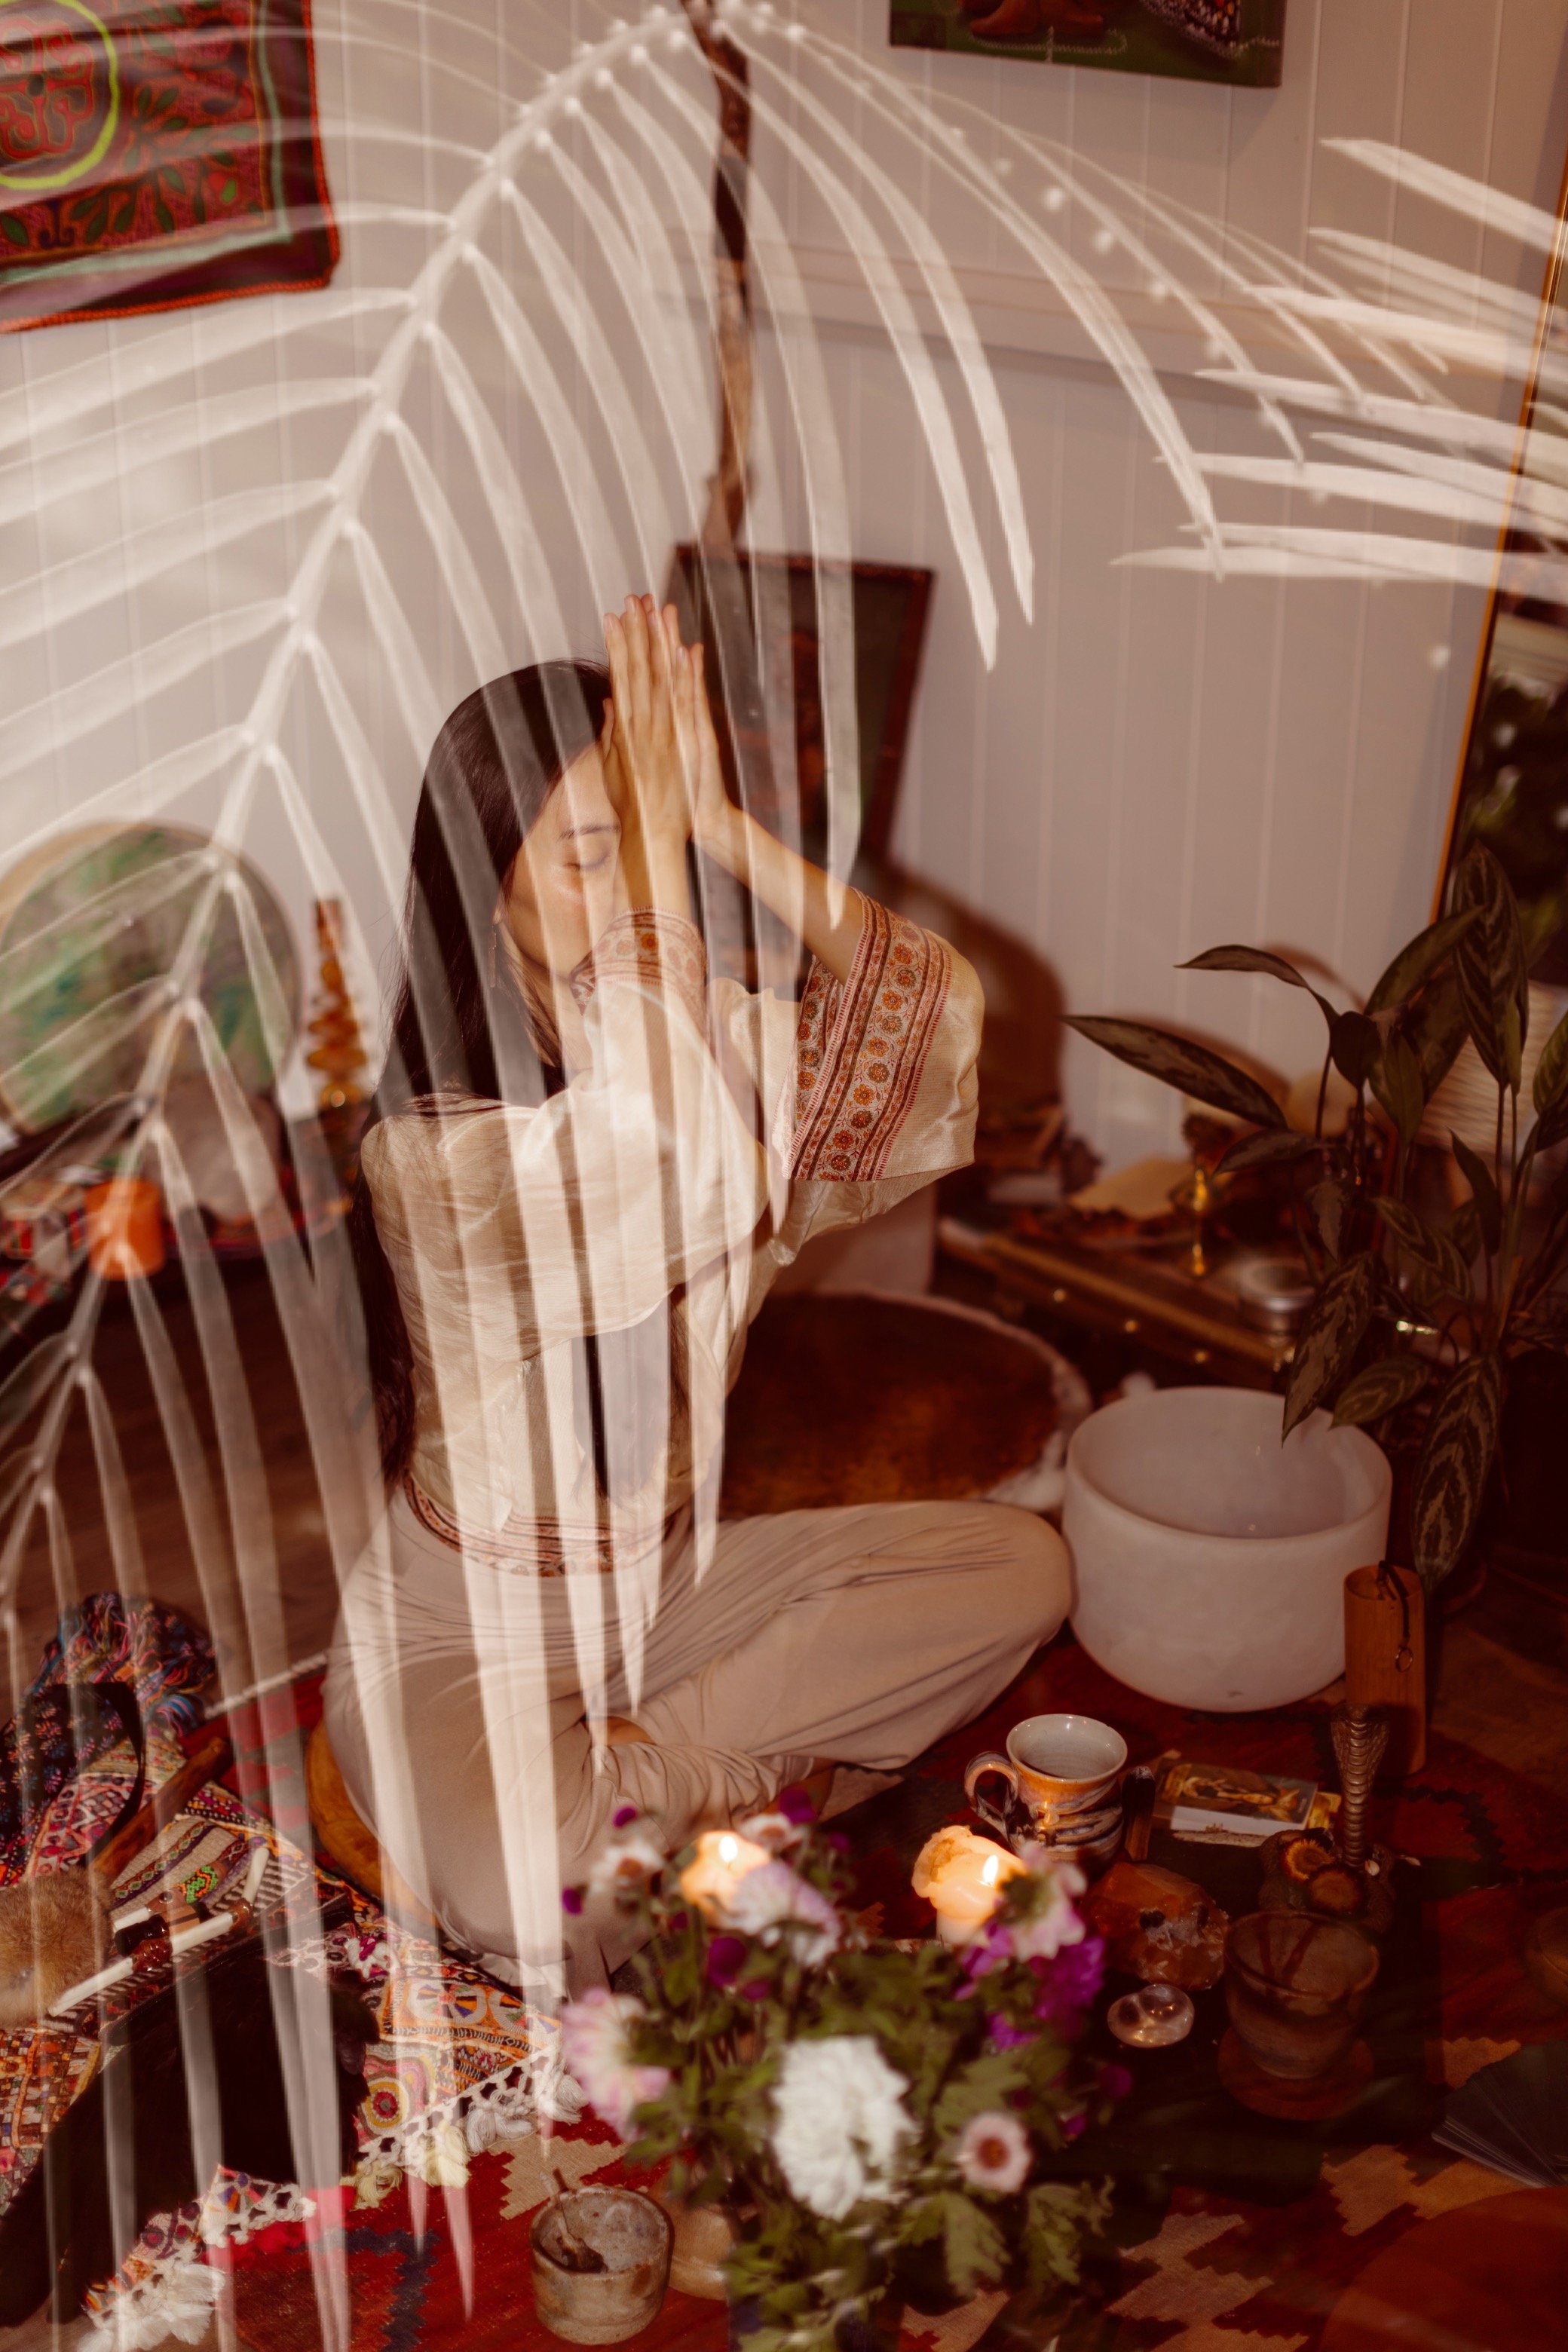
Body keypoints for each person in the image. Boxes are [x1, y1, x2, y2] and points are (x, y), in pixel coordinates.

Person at [323, 595, 1070, 1993]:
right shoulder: (433, 1153)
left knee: (1027, 1566)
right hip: (462, 1631)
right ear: (485, 885)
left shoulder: (690, 1039)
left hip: (663, 1589)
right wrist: (662, 904)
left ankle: (650, 1780)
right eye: (592, 856)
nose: (629, 888)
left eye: (644, 845)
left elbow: (926, 1029)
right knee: (532, 1900)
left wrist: (718, 824)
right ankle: (706, 1792)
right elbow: (665, 1169)